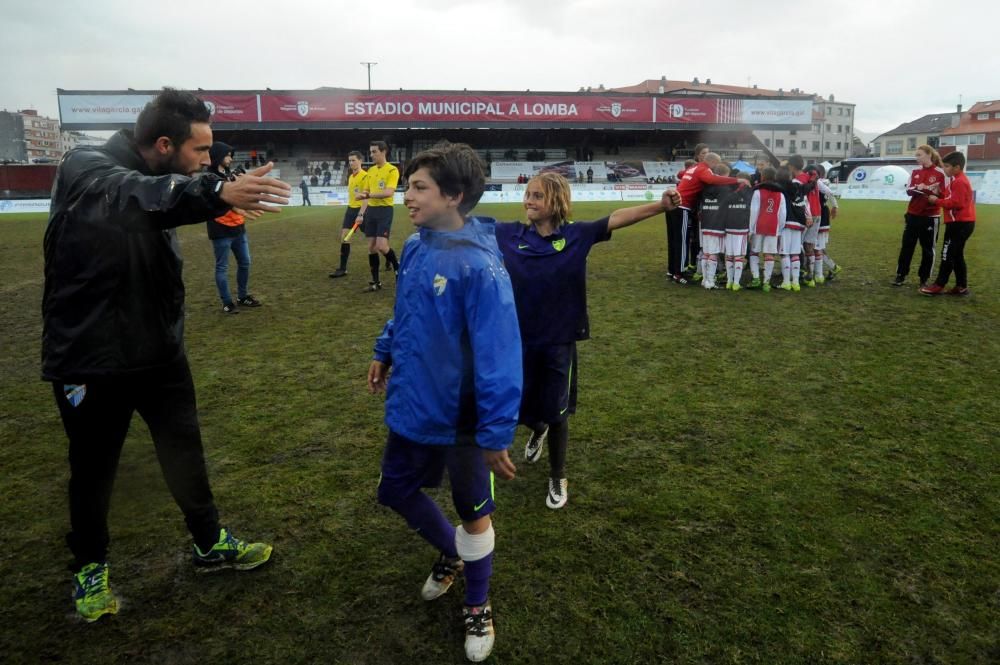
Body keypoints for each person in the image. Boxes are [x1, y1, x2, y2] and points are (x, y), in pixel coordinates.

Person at [41, 88, 290, 623]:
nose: (209, 159)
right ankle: (89, 567)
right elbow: (136, 196)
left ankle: (208, 542)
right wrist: (215, 192)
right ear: (162, 144)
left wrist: (210, 186)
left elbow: (160, 198)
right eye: (200, 152)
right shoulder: (87, 169)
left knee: (185, 453)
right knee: (94, 470)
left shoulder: (159, 178)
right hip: (92, 356)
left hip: (158, 350)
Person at [369, 143, 521, 662]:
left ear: (454, 196)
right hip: (415, 400)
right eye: (407, 185)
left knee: (473, 512)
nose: (405, 195)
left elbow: (500, 352)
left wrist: (497, 432)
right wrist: (385, 349)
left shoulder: (480, 266)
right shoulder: (416, 246)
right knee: (395, 489)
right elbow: (407, 310)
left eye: (418, 187)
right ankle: (453, 556)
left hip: (463, 417)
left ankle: (478, 604)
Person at [494, 173, 680, 510]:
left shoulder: (576, 235)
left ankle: (557, 475)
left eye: (537, 196)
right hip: (516, 339)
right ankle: (537, 429)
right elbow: (467, 225)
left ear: (556, 202)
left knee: (557, 410)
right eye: (527, 194)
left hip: (559, 339)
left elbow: (619, 218)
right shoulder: (509, 234)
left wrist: (661, 206)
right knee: (517, 406)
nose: (528, 201)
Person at [667, 149, 740, 284]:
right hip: (682, 206)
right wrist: (735, 180)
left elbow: (681, 173)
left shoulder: (695, 167)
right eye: (715, 164)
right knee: (682, 242)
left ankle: (672, 270)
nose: (714, 168)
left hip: (673, 204)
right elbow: (711, 179)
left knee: (674, 240)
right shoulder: (703, 169)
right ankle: (679, 274)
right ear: (711, 162)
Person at [206, 142, 263, 313]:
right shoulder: (209, 177)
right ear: (217, 157)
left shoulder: (230, 173)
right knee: (222, 267)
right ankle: (227, 302)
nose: (230, 158)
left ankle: (242, 296)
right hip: (220, 229)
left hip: (238, 227)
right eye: (227, 155)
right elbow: (222, 199)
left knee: (245, 262)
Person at [920, 151, 976, 296]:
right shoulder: (956, 180)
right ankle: (961, 286)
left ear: (957, 167)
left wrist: (936, 201)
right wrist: (938, 193)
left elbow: (956, 203)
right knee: (957, 255)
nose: (944, 169)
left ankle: (939, 285)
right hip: (962, 223)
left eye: (947, 166)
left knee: (947, 254)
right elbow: (951, 197)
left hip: (959, 224)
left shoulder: (959, 181)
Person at [893, 145, 945, 287]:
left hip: (930, 217)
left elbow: (945, 194)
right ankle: (901, 275)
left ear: (928, 155)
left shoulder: (940, 173)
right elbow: (908, 190)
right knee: (907, 246)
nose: (917, 158)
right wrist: (918, 188)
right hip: (913, 215)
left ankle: (924, 278)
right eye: (916, 155)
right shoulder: (915, 172)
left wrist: (936, 191)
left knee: (928, 249)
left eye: (919, 155)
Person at [358, 140, 401, 291]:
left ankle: (398, 268)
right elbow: (366, 194)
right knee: (371, 247)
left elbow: (389, 192)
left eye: (374, 152)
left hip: (385, 210)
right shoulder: (370, 171)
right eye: (370, 152)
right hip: (371, 212)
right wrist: (361, 213)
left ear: (384, 152)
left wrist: (369, 194)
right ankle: (376, 282)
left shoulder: (392, 170)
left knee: (382, 246)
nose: (371, 155)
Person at [329, 150, 367, 278]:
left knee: (376, 242)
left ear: (360, 161)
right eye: (349, 160)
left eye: (353, 160)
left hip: (364, 211)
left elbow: (366, 198)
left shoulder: (366, 176)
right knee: (345, 237)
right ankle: (343, 268)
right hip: (350, 210)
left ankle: (389, 258)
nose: (351, 163)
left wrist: (361, 214)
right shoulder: (350, 177)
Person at [748, 166, 786, 292]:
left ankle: (756, 278)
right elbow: (783, 214)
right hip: (773, 226)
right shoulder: (781, 194)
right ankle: (766, 282)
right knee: (769, 254)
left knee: (754, 252)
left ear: (762, 177)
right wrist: (779, 229)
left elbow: (754, 211)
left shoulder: (757, 192)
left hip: (759, 226)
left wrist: (750, 229)